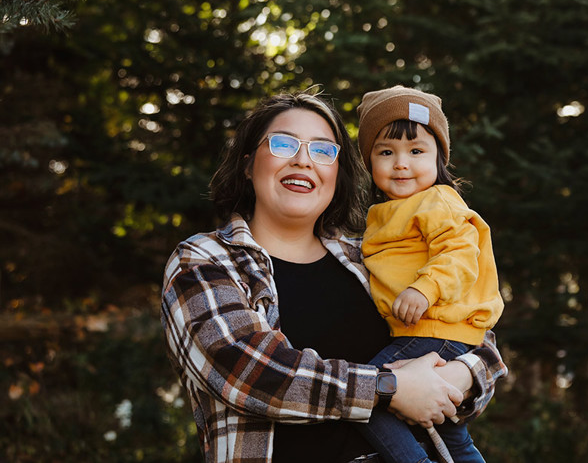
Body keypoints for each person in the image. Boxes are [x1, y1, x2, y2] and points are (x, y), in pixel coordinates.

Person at [160, 89, 507, 463]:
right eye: (283, 144)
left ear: (337, 172)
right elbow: (249, 372)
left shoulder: (365, 258)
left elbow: (470, 336)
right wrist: (390, 389)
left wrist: (460, 376)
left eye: (322, 150)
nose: (303, 160)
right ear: (248, 164)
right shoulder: (204, 261)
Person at [354, 86, 504, 463]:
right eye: (386, 152)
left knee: (367, 394)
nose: (401, 163)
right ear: (369, 161)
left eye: (416, 151)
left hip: (432, 329)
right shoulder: (382, 214)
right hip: (428, 333)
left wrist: (424, 288)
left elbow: (460, 253)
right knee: (453, 433)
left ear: (439, 158)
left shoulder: (436, 201)